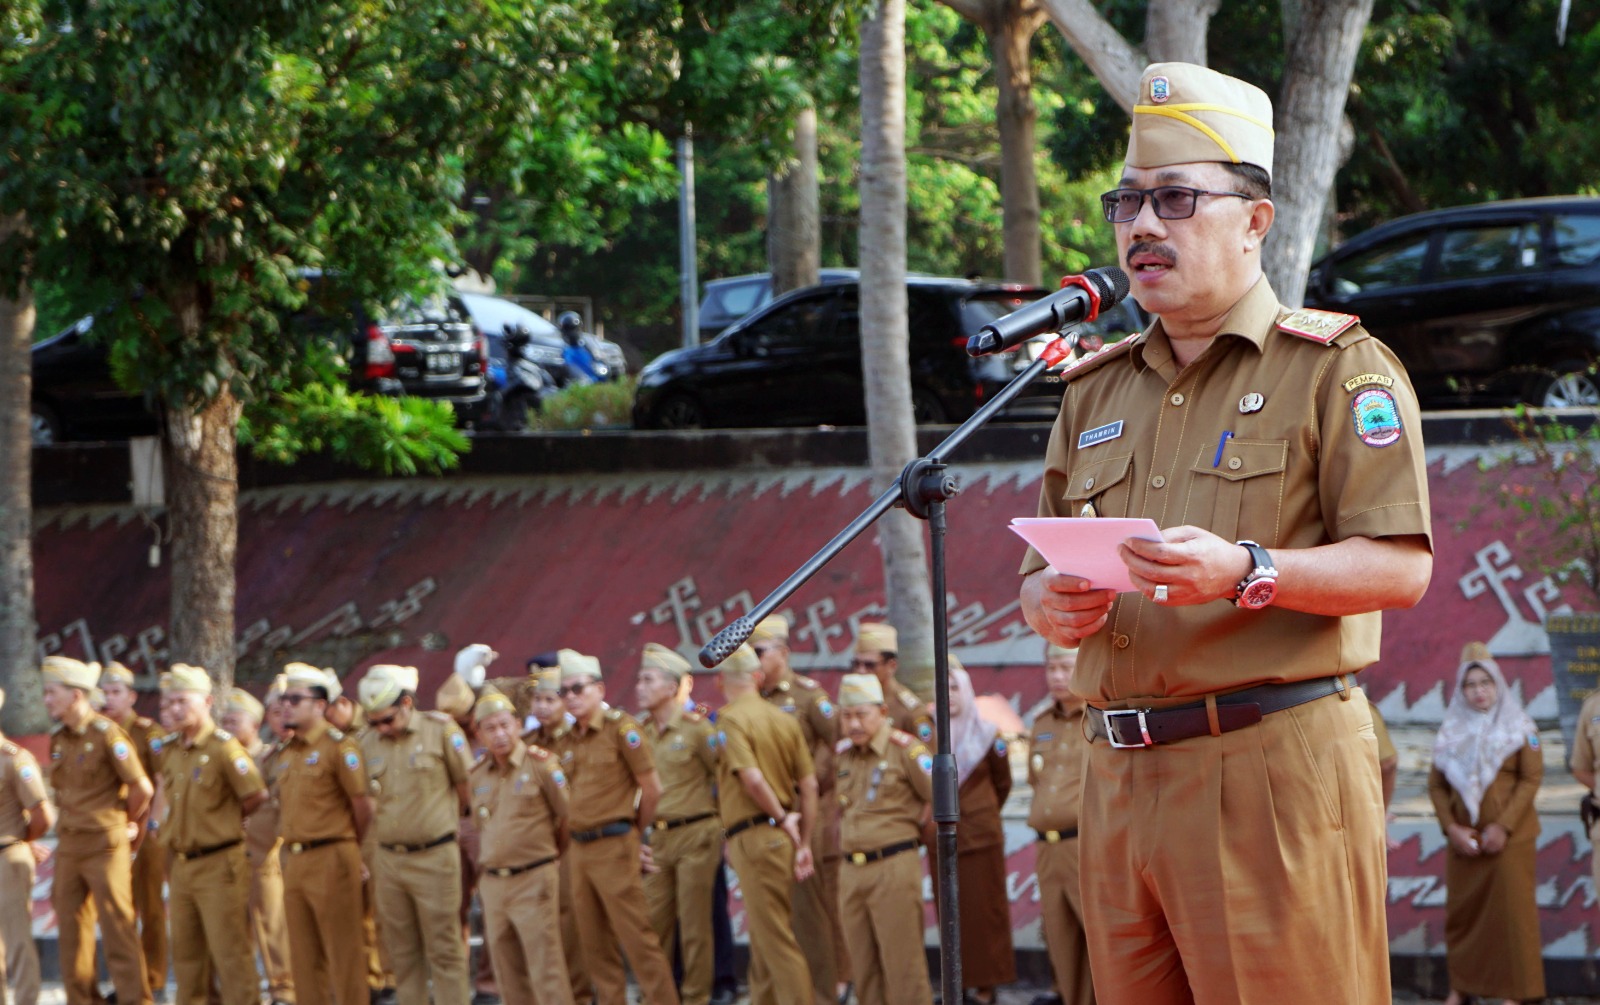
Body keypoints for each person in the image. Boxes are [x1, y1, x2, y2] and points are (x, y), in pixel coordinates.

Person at [1017, 61, 1433, 1003]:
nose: (1142, 226)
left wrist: (1248, 570)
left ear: (1255, 218)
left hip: (1266, 770)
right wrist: (1050, 601)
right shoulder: (1094, 388)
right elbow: (1035, 576)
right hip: (1116, 779)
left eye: (1175, 198)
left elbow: (1400, 566)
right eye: (1127, 202)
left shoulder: (1338, 370)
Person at [559, 649, 680, 1005]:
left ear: (599, 688)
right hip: (579, 848)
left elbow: (652, 789)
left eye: (578, 688)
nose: (571, 697)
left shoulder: (621, 729)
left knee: (637, 938)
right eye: (565, 691)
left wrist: (631, 832)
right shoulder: (568, 740)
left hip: (614, 843)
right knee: (594, 943)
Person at [1428, 643, 1545, 1005]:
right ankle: (1461, 989)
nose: (1480, 691)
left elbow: (1531, 779)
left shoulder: (1520, 727)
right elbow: (1436, 785)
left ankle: (1515, 993)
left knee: (1512, 918)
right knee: (1463, 917)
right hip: (1466, 842)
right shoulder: (1451, 732)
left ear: (1498, 685)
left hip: (1508, 842)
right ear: (1461, 690)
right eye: (1471, 684)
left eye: (1486, 683)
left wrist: (1503, 827)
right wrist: (1452, 829)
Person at [357, 665, 474, 1005]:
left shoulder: (439, 731)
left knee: (445, 950)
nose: (382, 728)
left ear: (406, 703)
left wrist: (442, 824)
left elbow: (466, 788)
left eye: (388, 720)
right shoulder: (366, 743)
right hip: (390, 860)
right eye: (374, 722)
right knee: (402, 953)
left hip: (435, 856)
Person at [153, 664, 269, 1005]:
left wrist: (226, 822)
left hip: (220, 862)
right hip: (182, 864)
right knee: (187, 959)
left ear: (206, 701)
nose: (174, 709)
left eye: (182, 701)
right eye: (170, 701)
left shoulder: (223, 747)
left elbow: (256, 794)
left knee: (230, 955)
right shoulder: (171, 749)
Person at [41, 655, 153, 1005]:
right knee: (72, 930)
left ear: (76, 695)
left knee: (118, 926)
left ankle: (135, 999)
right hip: (71, 844)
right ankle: (82, 999)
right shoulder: (59, 739)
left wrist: (127, 824)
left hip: (105, 846)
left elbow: (142, 788)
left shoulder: (108, 735)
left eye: (52, 693)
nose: (47, 700)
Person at [714, 644, 816, 1005]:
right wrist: (802, 841)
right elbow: (809, 785)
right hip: (779, 837)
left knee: (775, 941)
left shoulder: (730, 719)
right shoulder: (784, 719)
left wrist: (780, 817)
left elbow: (753, 780)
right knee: (764, 936)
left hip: (757, 835)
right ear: (757, 678)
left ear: (721, 680)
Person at [750, 617, 845, 1005]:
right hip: (766, 817)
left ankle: (824, 992)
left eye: (760, 653)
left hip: (807, 816)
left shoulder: (809, 696)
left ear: (784, 654)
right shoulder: (752, 699)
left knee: (811, 912)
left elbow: (841, 741)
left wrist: (815, 780)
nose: (754, 661)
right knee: (771, 913)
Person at [277, 662, 374, 1005]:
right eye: (284, 698)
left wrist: (350, 846)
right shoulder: (286, 753)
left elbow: (362, 807)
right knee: (303, 956)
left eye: (295, 699)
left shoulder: (339, 747)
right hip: (295, 859)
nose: (285, 705)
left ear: (320, 705)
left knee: (343, 952)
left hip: (333, 854)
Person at [834, 673, 932, 1005]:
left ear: (883, 711)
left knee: (903, 966)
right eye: (847, 715)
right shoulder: (843, 755)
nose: (854, 723)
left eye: (861, 714)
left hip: (893, 865)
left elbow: (941, 804)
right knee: (863, 967)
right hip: (851, 871)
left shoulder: (906, 750)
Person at [470, 691, 574, 1005]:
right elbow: (480, 827)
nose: (499, 734)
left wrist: (547, 856)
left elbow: (567, 819)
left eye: (504, 725)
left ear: (517, 724)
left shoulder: (541, 765)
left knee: (546, 967)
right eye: (490, 728)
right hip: (494, 884)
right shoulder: (477, 776)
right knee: (506, 970)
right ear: (480, 734)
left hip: (534, 877)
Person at [635, 644, 720, 1005]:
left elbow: (724, 776)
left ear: (671, 687)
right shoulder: (639, 733)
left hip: (697, 833)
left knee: (695, 927)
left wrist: (721, 826)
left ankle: (696, 997)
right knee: (653, 925)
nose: (639, 686)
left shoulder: (698, 729)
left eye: (647, 679)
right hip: (657, 839)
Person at [932, 658, 1014, 1004]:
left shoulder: (989, 734)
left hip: (980, 838)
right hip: (942, 841)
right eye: (943, 687)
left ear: (966, 690)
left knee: (985, 917)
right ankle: (958, 987)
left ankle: (985, 989)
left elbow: (1003, 783)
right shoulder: (930, 731)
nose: (949, 695)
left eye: (955, 687)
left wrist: (980, 813)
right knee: (953, 916)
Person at [220, 685, 296, 1005]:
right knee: (235, 927)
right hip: (228, 852)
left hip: (265, 851)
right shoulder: (220, 759)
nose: (227, 728)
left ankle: (284, 990)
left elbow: (275, 804)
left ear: (253, 724)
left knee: (271, 923)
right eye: (224, 722)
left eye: (234, 721)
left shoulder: (266, 758)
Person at [1026, 645, 1094, 1005]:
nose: (1055, 675)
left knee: (1101, 940)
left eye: (1064, 667)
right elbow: (1033, 781)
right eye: (1050, 667)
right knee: (1061, 941)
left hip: (1086, 846)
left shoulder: (1099, 715)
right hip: (1047, 850)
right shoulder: (1041, 724)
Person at [100, 661, 168, 1002]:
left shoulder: (147, 732)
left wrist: (152, 825)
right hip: (112, 832)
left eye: (116, 693)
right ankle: (127, 982)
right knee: (119, 912)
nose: (108, 699)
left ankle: (154, 979)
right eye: (105, 692)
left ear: (131, 696)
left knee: (150, 907)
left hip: (144, 830)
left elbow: (160, 782)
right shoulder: (98, 731)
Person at [521, 667, 589, 1005]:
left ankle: (579, 994)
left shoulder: (576, 738)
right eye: (537, 699)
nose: (543, 706)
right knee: (540, 922)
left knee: (571, 920)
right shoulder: (526, 746)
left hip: (572, 842)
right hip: (536, 846)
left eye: (550, 699)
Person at [0, 685, 55, 1005]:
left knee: (18, 943)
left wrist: (24, 841)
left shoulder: (13, 759)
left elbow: (42, 814)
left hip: (7, 856)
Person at [850, 623, 932, 744]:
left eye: (869, 665)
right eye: (856, 664)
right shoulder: (851, 700)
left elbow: (928, 758)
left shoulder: (909, 710)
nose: (861, 671)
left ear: (892, 666)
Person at [557, 311, 603, 384]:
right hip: (574, 385)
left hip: (592, 382)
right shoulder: (564, 350)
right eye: (568, 330)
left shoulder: (588, 346)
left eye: (575, 329)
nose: (572, 333)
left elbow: (599, 361)